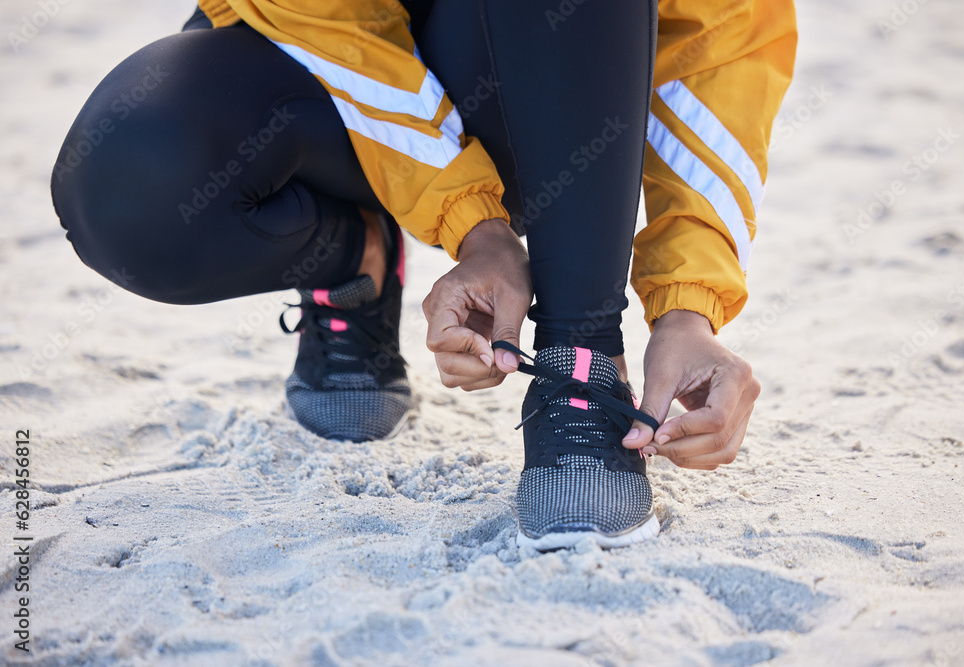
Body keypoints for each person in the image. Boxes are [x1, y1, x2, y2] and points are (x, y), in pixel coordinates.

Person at [51, 0, 796, 549]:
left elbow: (725, 28)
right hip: (325, 53)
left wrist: (687, 306)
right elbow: (322, 19)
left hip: (551, 77)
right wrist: (477, 226)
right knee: (131, 180)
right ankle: (353, 256)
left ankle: (582, 358)